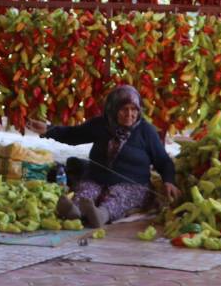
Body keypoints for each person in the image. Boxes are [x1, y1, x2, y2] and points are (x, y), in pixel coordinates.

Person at [27, 84, 180, 227]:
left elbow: (163, 160)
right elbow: (73, 135)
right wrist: (48, 130)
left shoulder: (146, 131)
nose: (129, 114)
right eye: (124, 109)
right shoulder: (101, 124)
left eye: (134, 109)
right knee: (87, 190)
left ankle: (101, 215)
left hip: (133, 185)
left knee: (119, 197)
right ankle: (75, 211)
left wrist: (169, 180)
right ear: (113, 109)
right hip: (97, 179)